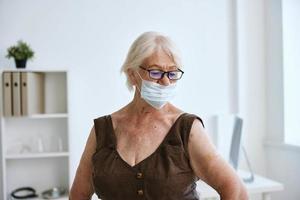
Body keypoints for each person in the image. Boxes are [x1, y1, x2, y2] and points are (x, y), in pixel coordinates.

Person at [69, 31, 248, 200]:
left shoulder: (187, 129)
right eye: (155, 72)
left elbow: (236, 190)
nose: (165, 81)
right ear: (132, 74)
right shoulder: (103, 130)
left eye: (172, 73)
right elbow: (78, 195)